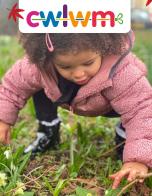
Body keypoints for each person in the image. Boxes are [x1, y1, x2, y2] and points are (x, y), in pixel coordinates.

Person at [0, 32, 150, 189]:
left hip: (111, 103)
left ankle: (124, 134)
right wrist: (3, 118)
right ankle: (48, 129)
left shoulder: (121, 72)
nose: (79, 74)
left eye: (88, 63)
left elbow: (140, 110)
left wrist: (138, 159)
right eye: (65, 66)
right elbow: (13, 87)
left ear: (103, 49)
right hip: (62, 96)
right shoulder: (40, 65)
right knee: (37, 82)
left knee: (132, 108)